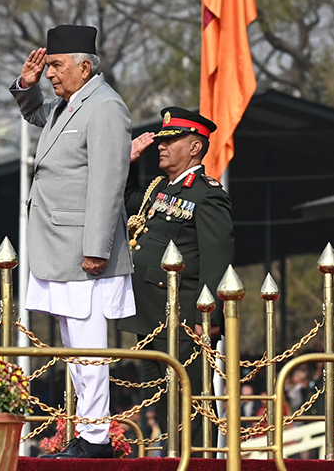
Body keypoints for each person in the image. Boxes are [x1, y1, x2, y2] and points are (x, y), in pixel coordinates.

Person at [10, 24, 134, 459]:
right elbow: (37, 113)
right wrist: (25, 85)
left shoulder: (104, 107)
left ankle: (97, 438)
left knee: (88, 346)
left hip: (83, 250)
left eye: (57, 66)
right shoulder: (70, 105)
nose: (51, 75)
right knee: (74, 348)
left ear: (85, 66)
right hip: (60, 247)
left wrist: (97, 247)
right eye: (49, 68)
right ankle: (88, 431)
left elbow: (107, 182)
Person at [116, 107, 235, 445]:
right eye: (161, 140)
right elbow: (128, 202)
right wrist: (131, 164)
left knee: (190, 402)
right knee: (162, 402)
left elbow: (217, 257)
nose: (161, 146)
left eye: (171, 140)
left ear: (195, 147)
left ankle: (196, 464)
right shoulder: (160, 188)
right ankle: (174, 461)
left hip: (184, 319)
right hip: (149, 314)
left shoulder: (206, 192)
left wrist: (206, 315)